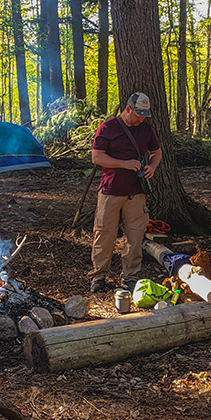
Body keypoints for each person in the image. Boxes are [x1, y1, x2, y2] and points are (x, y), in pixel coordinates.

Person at [88, 92, 163, 293]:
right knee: (104, 234)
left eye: (144, 115)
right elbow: (97, 157)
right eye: (138, 114)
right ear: (128, 108)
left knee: (135, 235)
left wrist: (152, 167)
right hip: (111, 190)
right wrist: (123, 164)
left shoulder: (146, 129)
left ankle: (130, 276)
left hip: (137, 192)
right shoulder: (108, 127)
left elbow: (157, 152)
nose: (141, 119)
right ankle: (99, 276)